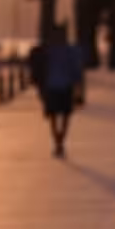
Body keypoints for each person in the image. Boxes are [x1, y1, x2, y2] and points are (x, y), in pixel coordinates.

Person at [40, 23, 84, 158]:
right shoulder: (70, 51)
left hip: (53, 87)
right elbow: (77, 71)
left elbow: (43, 70)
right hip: (65, 87)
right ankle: (60, 141)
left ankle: (58, 142)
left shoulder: (49, 50)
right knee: (65, 117)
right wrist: (79, 90)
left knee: (54, 117)